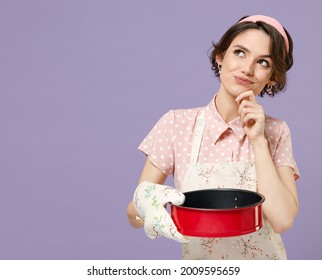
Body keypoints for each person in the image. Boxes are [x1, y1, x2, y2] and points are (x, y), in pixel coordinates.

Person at [127, 15, 300, 260]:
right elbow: (133, 215)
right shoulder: (176, 125)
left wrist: (259, 141)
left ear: (272, 77)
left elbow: (283, 220)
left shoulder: (276, 131)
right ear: (220, 57)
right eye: (240, 53)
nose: (247, 69)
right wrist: (145, 204)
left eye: (263, 62)